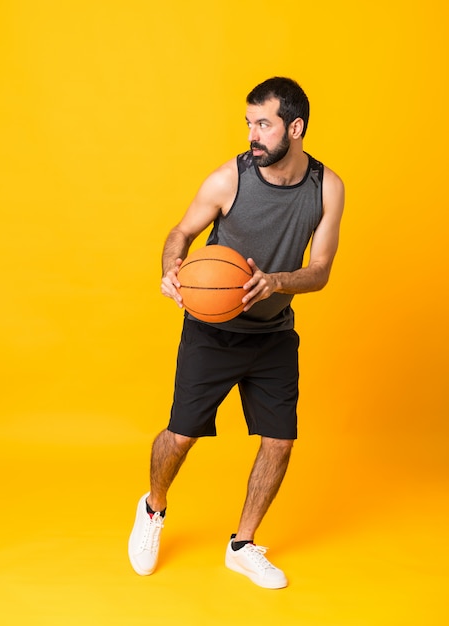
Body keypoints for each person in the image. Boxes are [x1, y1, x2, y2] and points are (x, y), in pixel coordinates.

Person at [128, 77, 345, 589]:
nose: (252, 134)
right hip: (212, 331)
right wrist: (171, 267)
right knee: (180, 437)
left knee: (279, 443)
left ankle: (243, 545)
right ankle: (153, 509)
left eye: (263, 123)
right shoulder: (230, 179)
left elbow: (321, 270)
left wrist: (276, 282)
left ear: (296, 127)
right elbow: (180, 233)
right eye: (249, 123)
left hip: (273, 333)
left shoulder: (327, 187)